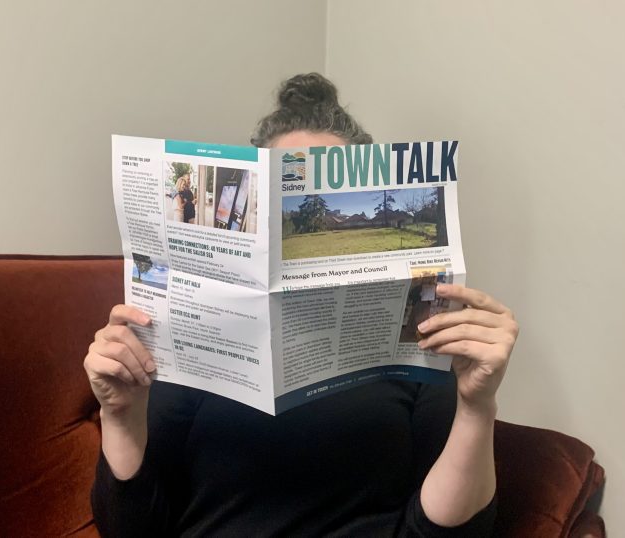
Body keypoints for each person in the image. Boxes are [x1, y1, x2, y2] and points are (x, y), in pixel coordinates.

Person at [85, 73, 519, 537]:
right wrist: (120, 415)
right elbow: (131, 530)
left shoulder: (418, 347)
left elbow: (451, 533)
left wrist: (478, 408)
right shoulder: (190, 341)